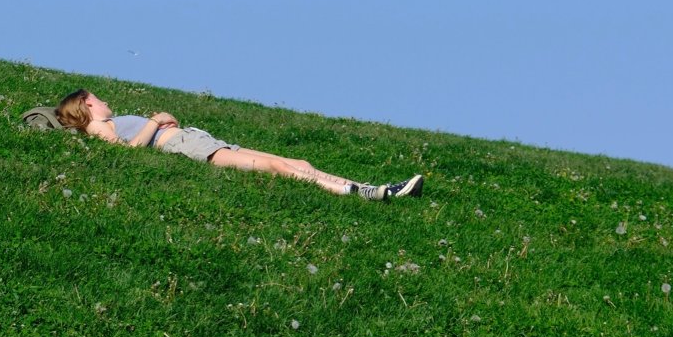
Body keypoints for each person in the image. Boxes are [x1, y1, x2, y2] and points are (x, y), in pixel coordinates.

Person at [55, 89, 423, 201]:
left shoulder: (107, 121)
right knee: (280, 169)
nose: (105, 101)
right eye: (97, 99)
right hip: (188, 146)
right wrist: (155, 121)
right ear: (87, 104)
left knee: (296, 160)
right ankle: (364, 193)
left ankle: (373, 188)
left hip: (196, 140)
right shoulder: (100, 127)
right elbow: (129, 152)